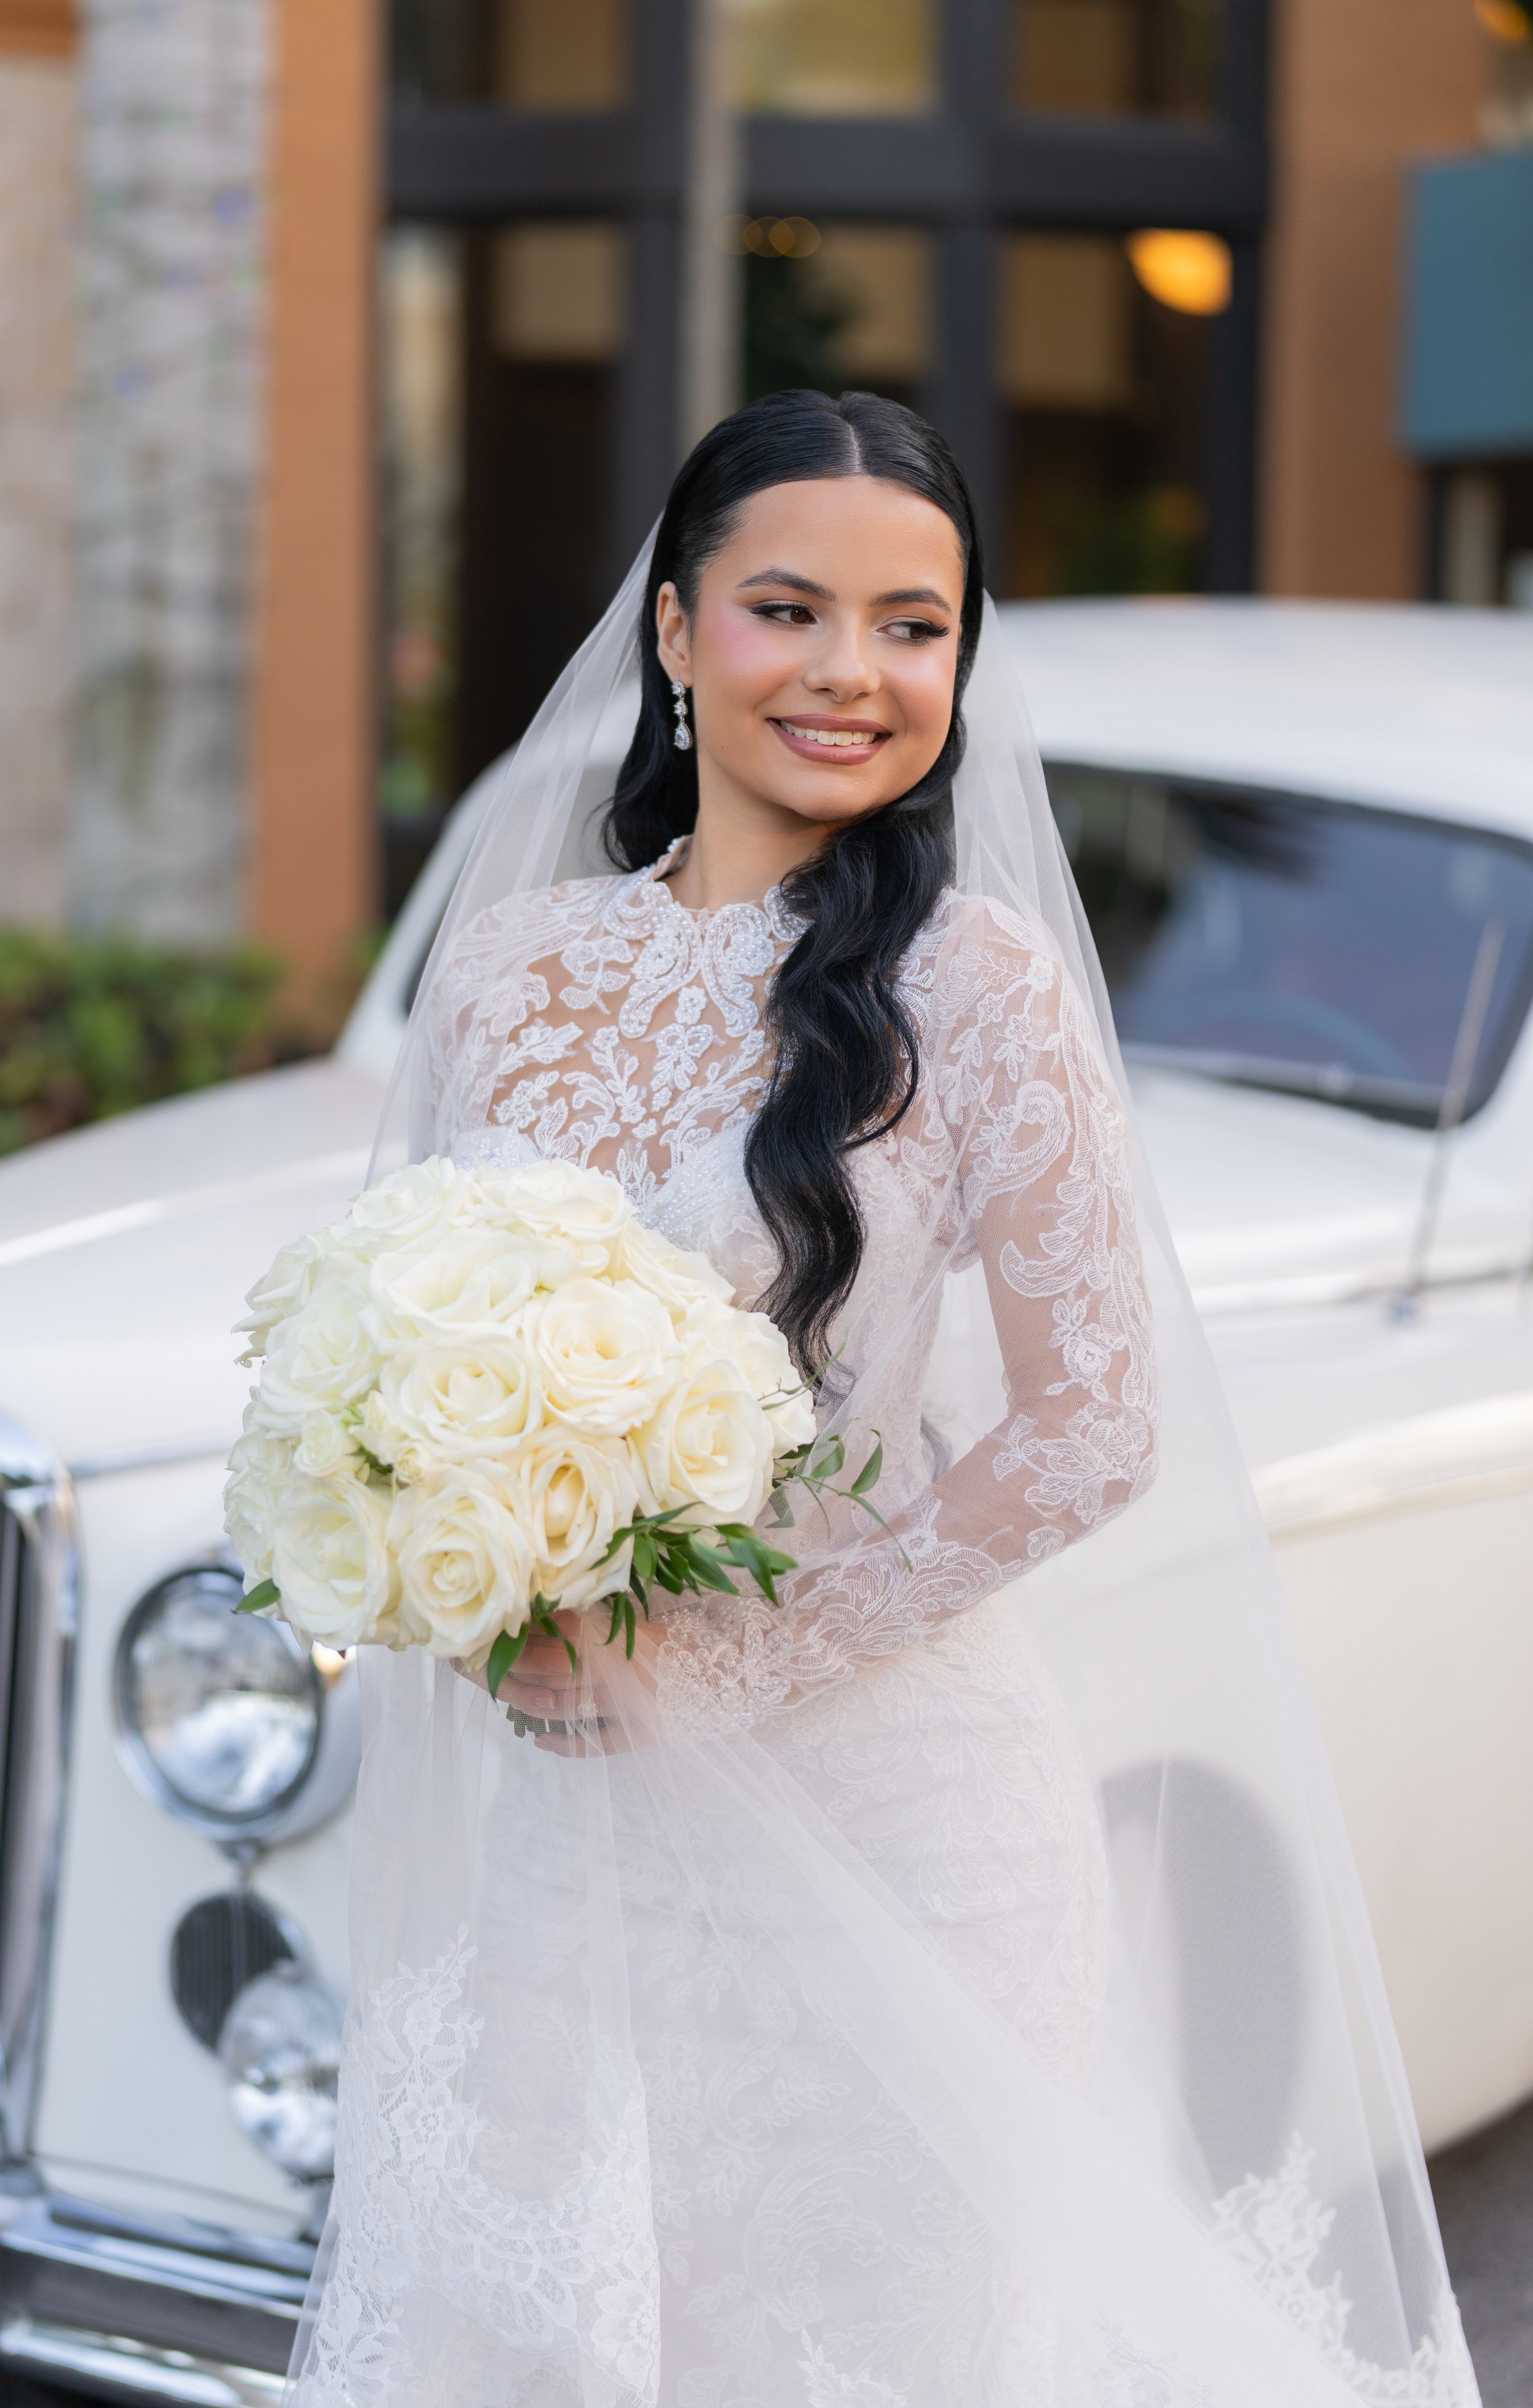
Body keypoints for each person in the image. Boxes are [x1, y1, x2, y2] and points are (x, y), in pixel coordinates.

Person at [287, 390, 1478, 2407]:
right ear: (673, 633)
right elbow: (412, 1349)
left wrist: (744, 1653)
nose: (853, 672)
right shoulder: (505, 975)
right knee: (578, 2328)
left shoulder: (974, 981)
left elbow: (1095, 1422)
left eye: (913, 626)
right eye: (788, 609)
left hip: (903, 1815)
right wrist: (482, 1588)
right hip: (574, 1824)